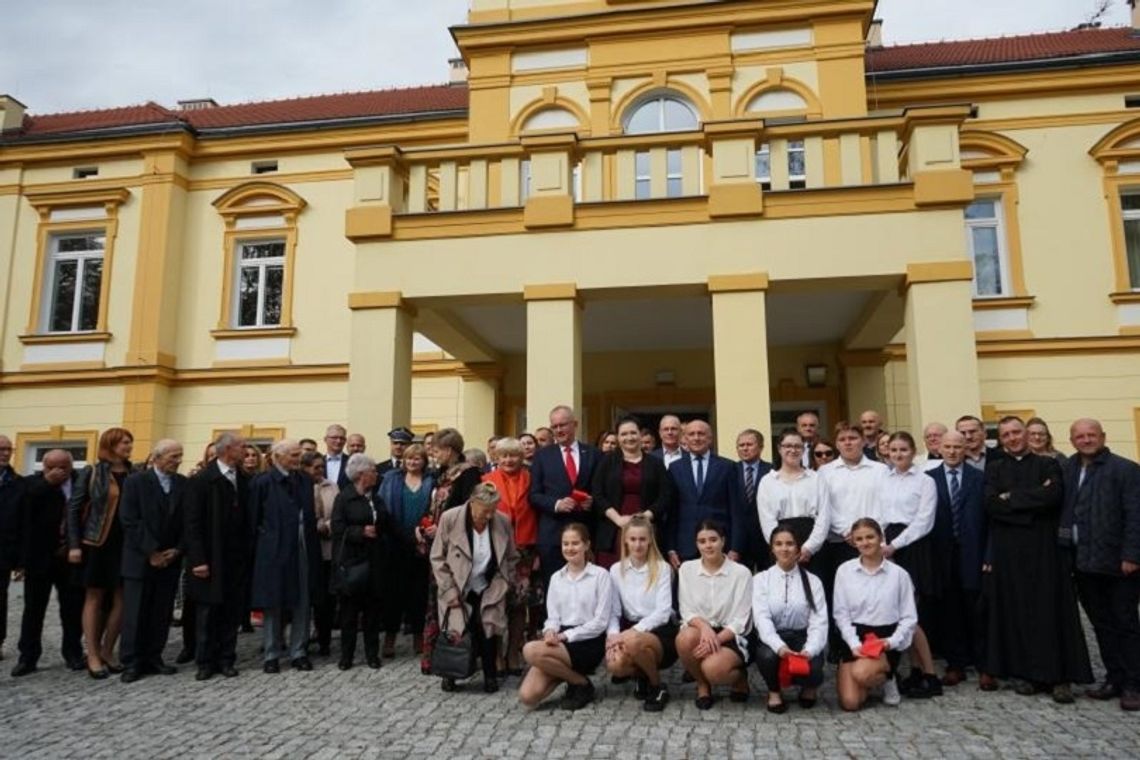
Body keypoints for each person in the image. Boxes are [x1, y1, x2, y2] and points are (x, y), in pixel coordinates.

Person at [984, 416, 1091, 703]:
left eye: (1016, 432)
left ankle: (1060, 677)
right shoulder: (994, 468)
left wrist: (1012, 499)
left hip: (1046, 550)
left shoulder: (1048, 464)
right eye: (1006, 434)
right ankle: (1028, 674)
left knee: (1051, 611)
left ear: (1026, 434)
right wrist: (1031, 502)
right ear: (1001, 439)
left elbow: (1053, 496)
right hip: (1010, 552)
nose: (1012, 438)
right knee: (1018, 611)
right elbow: (992, 505)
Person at [1063, 418, 1140, 710]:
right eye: (1079, 436)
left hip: (1118, 564)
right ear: (1072, 441)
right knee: (1102, 625)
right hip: (1083, 563)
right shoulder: (1069, 468)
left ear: (1102, 437)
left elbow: (1136, 516)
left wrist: (1132, 555)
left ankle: (1134, 683)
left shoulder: (1126, 469)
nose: (1086, 440)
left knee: (1126, 624)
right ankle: (1114, 679)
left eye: (1091, 435)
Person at [431, 483, 518, 693]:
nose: (489, 516)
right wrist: (449, 590)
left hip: (489, 585)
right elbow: (437, 557)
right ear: (472, 504)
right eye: (484, 511)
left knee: (487, 629)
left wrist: (505, 581)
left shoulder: (502, 521)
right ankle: (450, 674)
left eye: (493, 510)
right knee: (456, 630)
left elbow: (511, 557)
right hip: (457, 583)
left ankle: (490, 676)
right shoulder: (451, 518)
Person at [519, 522, 611, 710]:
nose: (570, 548)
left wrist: (565, 636)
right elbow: (552, 616)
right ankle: (577, 681)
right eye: (565, 543)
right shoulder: (556, 577)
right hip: (560, 641)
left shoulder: (601, 575)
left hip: (588, 640)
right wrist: (550, 631)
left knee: (530, 650)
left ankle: (577, 682)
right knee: (528, 696)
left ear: (586, 545)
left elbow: (601, 622)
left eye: (575, 543)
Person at [250, 439, 322, 674]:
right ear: (277, 457)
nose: (298, 458)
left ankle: (299, 651)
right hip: (274, 549)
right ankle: (271, 652)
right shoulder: (262, 482)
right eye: (293, 455)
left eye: (299, 454)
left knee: (302, 599)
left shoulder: (303, 480)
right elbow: (253, 520)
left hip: (302, 545)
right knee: (273, 601)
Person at [117, 439, 186, 683]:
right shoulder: (136, 482)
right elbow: (129, 520)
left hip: (170, 559)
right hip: (140, 558)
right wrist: (152, 552)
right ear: (156, 457)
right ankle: (132, 661)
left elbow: (187, 521)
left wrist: (177, 550)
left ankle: (154, 656)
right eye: (173, 456)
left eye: (180, 456)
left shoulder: (182, 483)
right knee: (136, 612)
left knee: (161, 611)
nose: (178, 461)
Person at [878, 431, 941, 698]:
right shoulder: (884, 479)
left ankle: (929, 673)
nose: (898, 455)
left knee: (910, 614)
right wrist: (882, 544)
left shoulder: (925, 481)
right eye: (893, 450)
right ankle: (915, 670)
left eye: (903, 450)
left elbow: (924, 520)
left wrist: (896, 544)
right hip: (887, 545)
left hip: (913, 546)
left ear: (913, 451)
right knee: (897, 610)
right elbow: (879, 514)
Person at [10, 450, 84, 676]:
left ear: (71, 466)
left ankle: (73, 653)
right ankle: (28, 657)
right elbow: (22, 510)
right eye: (52, 467)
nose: (59, 471)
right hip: (39, 557)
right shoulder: (31, 484)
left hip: (70, 557)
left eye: (64, 466)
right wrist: (47, 484)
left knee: (72, 609)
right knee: (34, 610)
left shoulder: (81, 482)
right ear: (44, 467)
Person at [68, 426, 133, 678]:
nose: (128, 446)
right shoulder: (93, 471)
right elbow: (74, 509)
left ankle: (108, 650)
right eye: (123, 442)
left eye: (129, 442)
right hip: (97, 542)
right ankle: (92, 654)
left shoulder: (134, 471)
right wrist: (74, 545)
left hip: (125, 543)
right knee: (94, 597)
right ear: (110, 445)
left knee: (122, 597)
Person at [184, 432, 250, 680]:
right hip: (210, 558)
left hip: (235, 557)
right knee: (208, 613)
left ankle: (226, 658)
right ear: (228, 449)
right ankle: (205, 660)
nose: (246, 451)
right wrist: (198, 559)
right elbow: (192, 523)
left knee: (231, 611)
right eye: (242, 447)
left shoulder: (242, 478)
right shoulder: (202, 480)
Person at [833, 518, 918, 711]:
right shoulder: (844, 571)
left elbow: (909, 618)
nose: (865, 542)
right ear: (854, 542)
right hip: (854, 638)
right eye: (859, 539)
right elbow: (841, 614)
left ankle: (888, 676)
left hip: (885, 639)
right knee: (851, 702)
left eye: (870, 537)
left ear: (881, 538)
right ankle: (870, 680)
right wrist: (854, 644)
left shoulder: (899, 575)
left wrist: (891, 642)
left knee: (861, 673)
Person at [818, 422, 887, 656]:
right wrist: (848, 531)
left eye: (853, 438)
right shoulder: (826, 472)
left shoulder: (879, 470)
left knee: (870, 596)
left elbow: (884, 504)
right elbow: (825, 507)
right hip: (840, 542)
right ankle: (840, 649)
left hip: (871, 543)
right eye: (843, 439)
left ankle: (873, 645)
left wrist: (868, 534)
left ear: (862, 441)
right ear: (837, 444)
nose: (848, 443)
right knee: (840, 596)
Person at [926, 431, 988, 688]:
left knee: (977, 609)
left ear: (966, 449)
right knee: (950, 610)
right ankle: (956, 663)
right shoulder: (928, 479)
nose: (952, 451)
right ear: (939, 448)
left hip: (973, 552)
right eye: (948, 447)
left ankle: (985, 664)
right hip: (941, 554)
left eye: (957, 447)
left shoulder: (980, 478)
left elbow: (989, 520)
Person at [420, 429, 484, 673]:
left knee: (456, 599)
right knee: (436, 598)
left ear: (450, 450)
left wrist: (443, 527)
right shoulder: (440, 474)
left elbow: (469, 510)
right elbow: (432, 505)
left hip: (457, 547)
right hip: (436, 545)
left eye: (436, 450)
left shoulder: (468, 474)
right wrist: (422, 524)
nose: (434, 455)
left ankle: (460, 656)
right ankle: (435, 655)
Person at [675, 520, 753, 709]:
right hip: (701, 628)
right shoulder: (687, 569)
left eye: (713, 539)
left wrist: (716, 638)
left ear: (723, 541)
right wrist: (704, 628)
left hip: (731, 634)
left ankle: (739, 678)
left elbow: (741, 620)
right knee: (684, 639)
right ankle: (702, 685)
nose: (708, 545)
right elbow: (686, 610)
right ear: (696, 544)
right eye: (702, 541)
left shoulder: (741, 573)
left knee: (713, 669)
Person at [752, 523, 828, 712]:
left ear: (798, 548)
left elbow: (819, 622)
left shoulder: (813, 581)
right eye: (778, 544)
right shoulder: (761, 580)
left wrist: (809, 650)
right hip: (774, 636)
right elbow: (761, 618)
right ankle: (774, 692)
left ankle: (809, 687)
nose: (784, 549)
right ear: (772, 548)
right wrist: (779, 647)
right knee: (766, 656)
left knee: (815, 667)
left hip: (802, 636)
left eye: (789, 543)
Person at [605, 516, 677, 712]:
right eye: (633, 539)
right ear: (625, 541)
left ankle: (656, 686)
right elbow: (613, 611)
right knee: (615, 665)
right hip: (629, 627)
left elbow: (663, 612)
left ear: (650, 541)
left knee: (634, 642)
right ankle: (641, 676)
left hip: (660, 630)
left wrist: (632, 632)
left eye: (642, 539)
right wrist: (613, 636)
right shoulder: (615, 570)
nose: (637, 544)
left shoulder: (662, 568)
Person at [482, 438, 538, 673]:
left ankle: (513, 653)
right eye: (503, 456)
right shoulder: (487, 481)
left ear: (521, 456)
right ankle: (496, 655)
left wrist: (539, 551)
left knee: (518, 604)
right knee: (495, 603)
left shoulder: (533, 478)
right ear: (496, 457)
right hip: (496, 549)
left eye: (513, 455)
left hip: (525, 548)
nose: (508, 460)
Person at [331, 453, 391, 671]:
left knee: (372, 613)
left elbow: (387, 522)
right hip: (352, 562)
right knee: (349, 614)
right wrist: (360, 531)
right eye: (373, 471)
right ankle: (346, 656)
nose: (376, 474)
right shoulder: (344, 498)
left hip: (374, 561)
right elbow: (336, 528)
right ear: (361, 474)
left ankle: (372, 654)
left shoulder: (376, 497)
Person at [529, 406, 600, 586]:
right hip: (553, 535)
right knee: (553, 587)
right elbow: (534, 494)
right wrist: (556, 504)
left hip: (585, 531)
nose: (559, 430)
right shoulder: (542, 456)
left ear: (575, 424)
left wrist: (592, 501)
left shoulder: (593, 454)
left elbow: (601, 491)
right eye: (555, 426)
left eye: (563, 425)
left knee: (587, 587)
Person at [378, 443, 435, 659]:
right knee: (393, 594)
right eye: (409, 458)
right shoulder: (391, 479)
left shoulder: (432, 480)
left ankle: (419, 638)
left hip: (422, 545)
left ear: (424, 461)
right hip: (394, 543)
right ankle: (390, 638)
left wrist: (421, 531)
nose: (412, 462)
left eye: (417, 459)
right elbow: (383, 509)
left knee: (419, 594)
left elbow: (434, 508)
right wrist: (402, 534)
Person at [591, 417, 672, 568]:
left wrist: (646, 516)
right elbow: (597, 494)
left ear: (640, 435)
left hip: (647, 528)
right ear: (618, 437)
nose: (629, 438)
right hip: (613, 529)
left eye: (633, 433)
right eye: (624, 434)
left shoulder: (655, 463)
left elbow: (665, 495)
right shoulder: (606, 462)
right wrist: (618, 519)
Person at [665, 420, 745, 568]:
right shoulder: (675, 468)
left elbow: (736, 511)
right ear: (685, 439)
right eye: (691, 434)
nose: (696, 438)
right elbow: (672, 513)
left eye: (701, 434)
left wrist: (735, 548)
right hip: (685, 546)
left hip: (720, 546)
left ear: (710, 438)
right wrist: (671, 548)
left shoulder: (727, 467)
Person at [756, 430, 831, 573]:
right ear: (779, 449)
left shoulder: (816, 478)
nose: (793, 450)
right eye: (788, 446)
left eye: (798, 446)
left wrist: (809, 547)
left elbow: (824, 516)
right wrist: (781, 547)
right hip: (781, 545)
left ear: (803, 450)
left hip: (813, 544)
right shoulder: (768, 482)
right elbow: (767, 520)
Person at [304, 452, 338, 657]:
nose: (320, 471)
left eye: (321, 467)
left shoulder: (331, 486)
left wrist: (328, 526)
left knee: (325, 599)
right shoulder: (299, 486)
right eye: (315, 467)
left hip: (327, 550)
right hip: (305, 551)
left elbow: (339, 513)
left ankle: (324, 639)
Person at [734, 429, 772, 571]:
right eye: (741, 445)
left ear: (761, 447)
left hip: (765, 539)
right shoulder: (730, 470)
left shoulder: (772, 471)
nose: (745, 448)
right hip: (738, 542)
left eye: (749, 444)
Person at [0, 435, 22, 661]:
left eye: (9, 449)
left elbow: (22, 522)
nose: (6, 453)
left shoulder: (17, 482)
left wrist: (20, 559)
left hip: (4, 551)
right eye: (1, 449)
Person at [431, 428, 482, 509]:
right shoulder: (441, 472)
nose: (434, 455)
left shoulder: (469, 472)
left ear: (448, 451)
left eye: (436, 452)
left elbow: (469, 505)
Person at [323, 424, 351, 490]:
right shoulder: (318, 462)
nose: (338, 441)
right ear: (325, 439)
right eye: (334, 437)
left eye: (342, 438)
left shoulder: (352, 462)